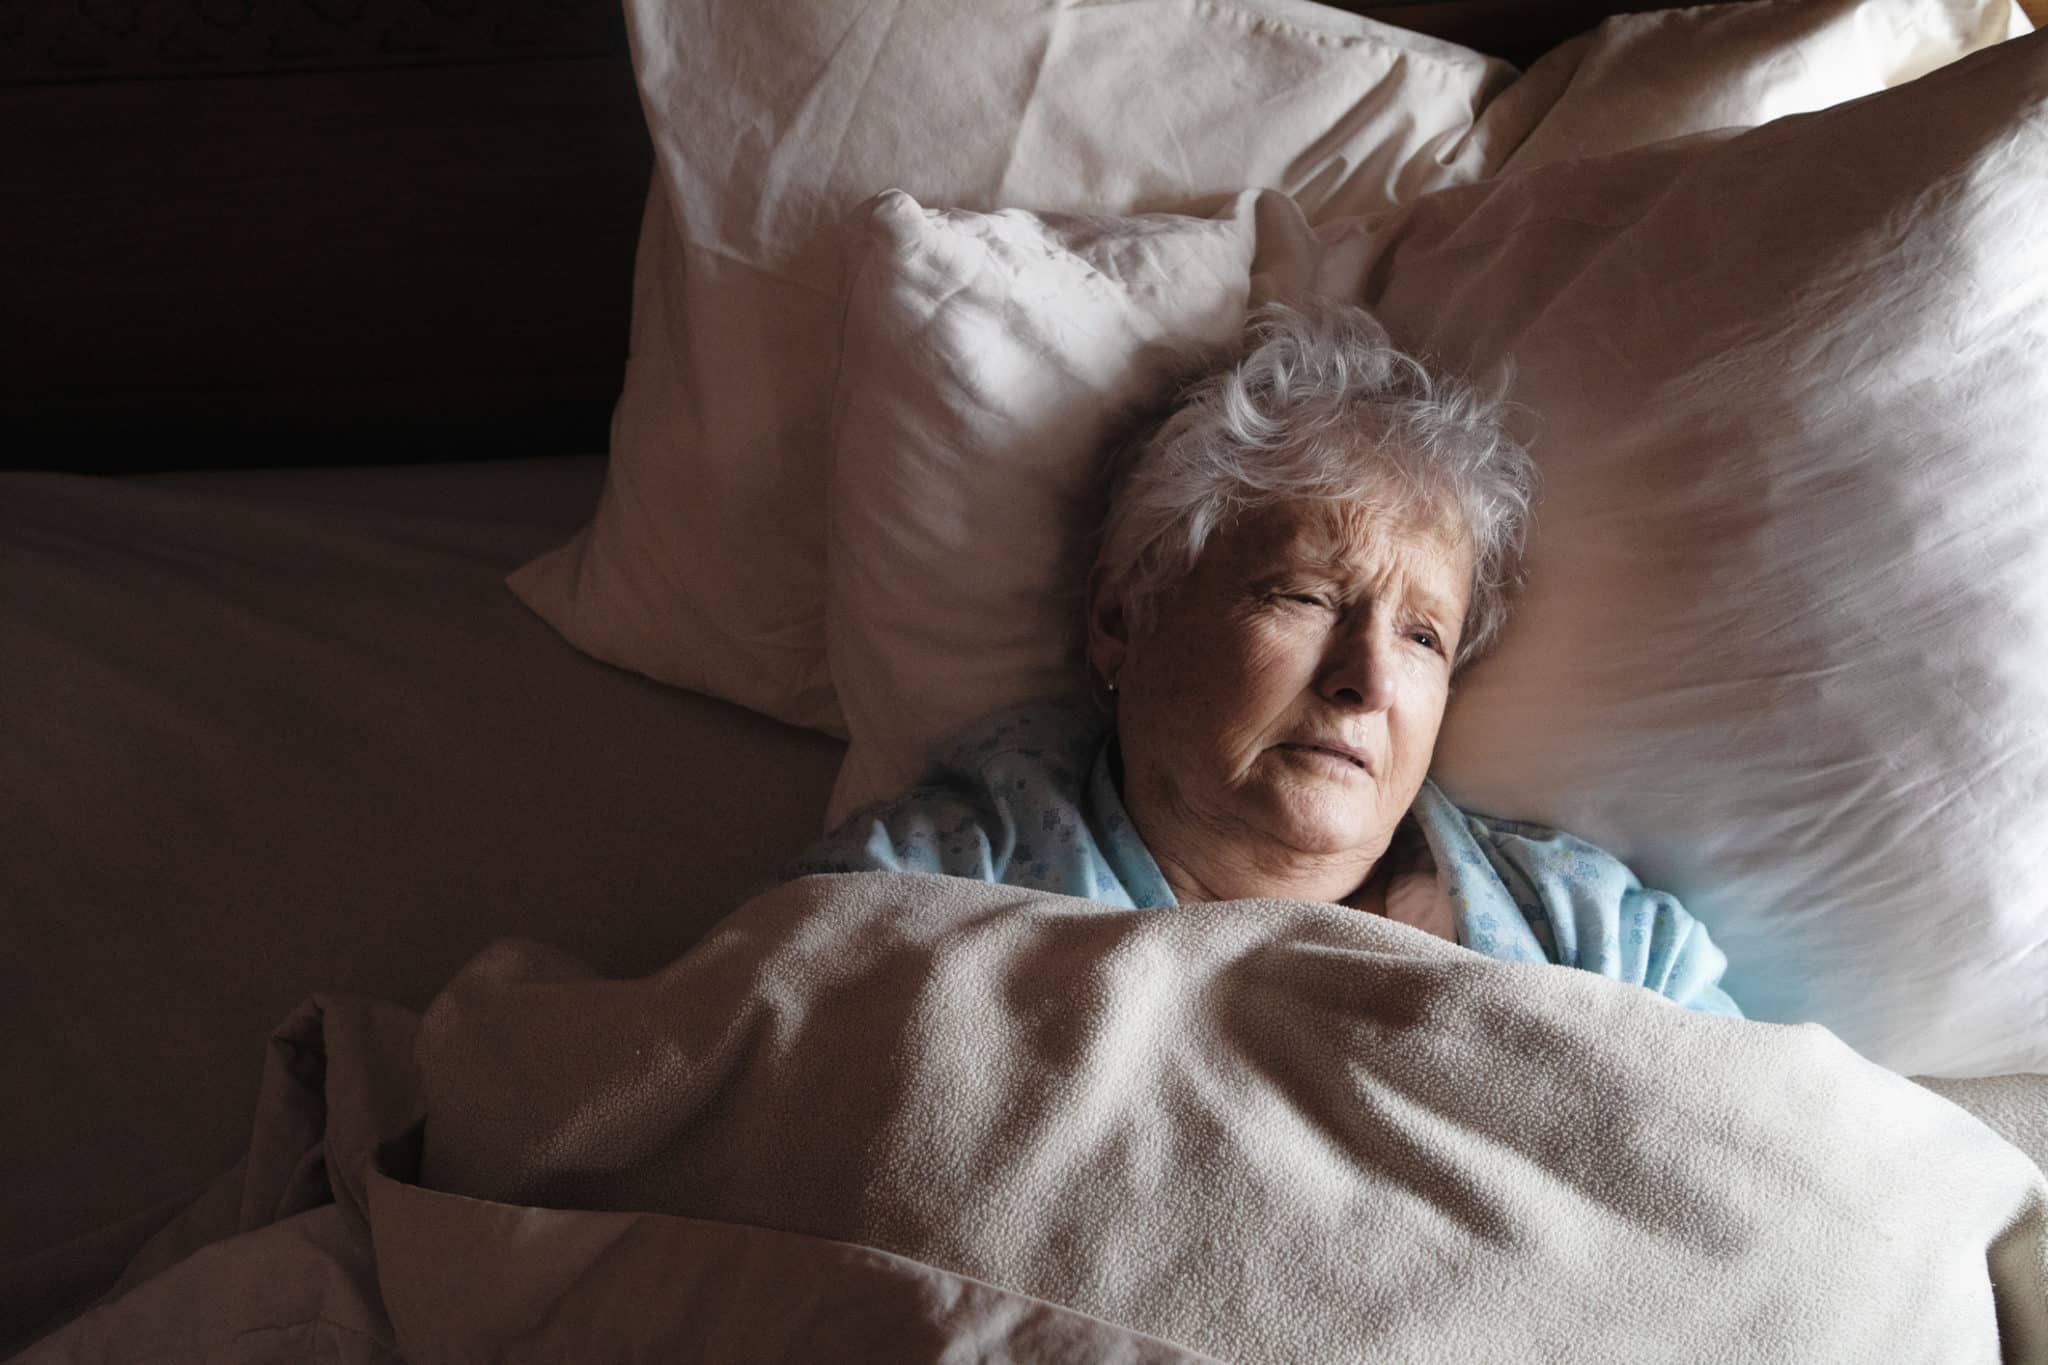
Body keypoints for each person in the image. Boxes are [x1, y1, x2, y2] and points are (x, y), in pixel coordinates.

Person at [793, 299, 1740, 1016]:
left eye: (1422, 637)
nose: (1367, 680)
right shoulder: (913, 905)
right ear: (1124, 615)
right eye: (1307, 595)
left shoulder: (1609, 949)